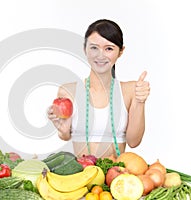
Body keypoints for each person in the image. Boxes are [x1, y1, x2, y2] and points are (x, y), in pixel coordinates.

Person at [47, 19, 150, 160]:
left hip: (116, 178)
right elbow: (65, 136)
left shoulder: (130, 90)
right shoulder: (68, 91)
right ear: (85, 49)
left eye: (109, 48)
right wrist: (63, 131)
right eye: (94, 48)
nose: (100, 55)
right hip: (81, 177)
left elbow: (134, 142)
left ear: (121, 51)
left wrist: (140, 101)